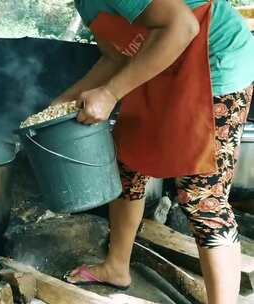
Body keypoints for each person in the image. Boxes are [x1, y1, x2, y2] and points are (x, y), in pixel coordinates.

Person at [52, 1, 254, 303]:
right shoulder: (86, 3)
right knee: (126, 161)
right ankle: (116, 267)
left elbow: (184, 25)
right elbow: (116, 55)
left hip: (214, 61)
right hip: (165, 62)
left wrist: (109, 93)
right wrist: (61, 104)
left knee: (202, 195)